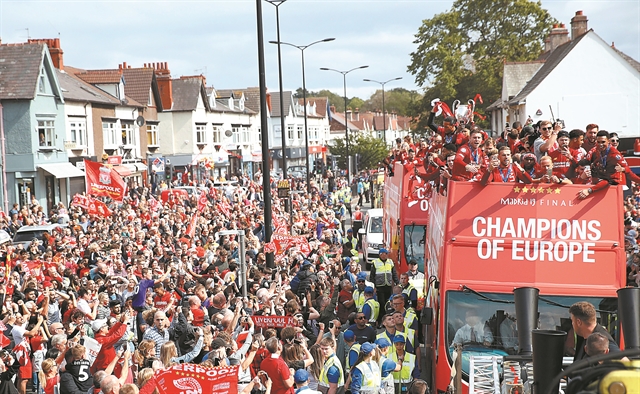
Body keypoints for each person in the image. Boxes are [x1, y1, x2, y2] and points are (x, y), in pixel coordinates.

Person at [575, 130, 625, 200]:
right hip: (597, 187)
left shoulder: (617, 155)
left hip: (616, 187)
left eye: (617, 141)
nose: (615, 143)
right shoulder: (593, 151)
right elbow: (584, 165)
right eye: (613, 141)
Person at [369, 249, 398, 324]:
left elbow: (394, 273)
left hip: (388, 286)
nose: (386, 255)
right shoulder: (375, 262)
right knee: (381, 304)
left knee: (388, 303)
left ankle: (388, 320)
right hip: (379, 287)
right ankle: (381, 321)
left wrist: (397, 283)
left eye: (387, 254)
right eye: (385, 253)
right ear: (380, 254)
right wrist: (373, 286)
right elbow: (372, 276)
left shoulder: (390, 262)